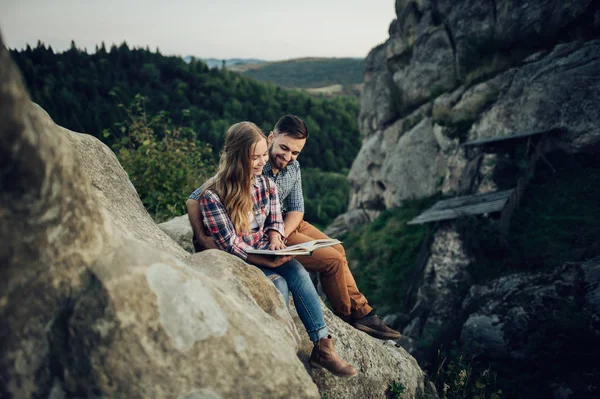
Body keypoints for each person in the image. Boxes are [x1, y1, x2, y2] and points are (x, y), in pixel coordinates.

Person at [188, 115, 401, 341]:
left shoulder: (293, 168)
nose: (288, 157)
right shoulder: (252, 163)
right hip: (268, 231)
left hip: (286, 224)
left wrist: (281, 231)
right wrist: (201, 236)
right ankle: (349, 316)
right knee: (332, 260)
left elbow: (297, 208)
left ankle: (364, 311)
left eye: (295, 152)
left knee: (338, 249)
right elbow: (195, 198)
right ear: (271, 138)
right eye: (284, 148)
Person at [196, 121, 357, 378]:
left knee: (299, 271)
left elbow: (275, 221)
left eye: (263, 155)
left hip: (264, 251)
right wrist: (261, 258)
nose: (262, 163)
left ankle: (323, 346)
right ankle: (275, 347)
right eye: (255, 157)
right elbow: (229, 244)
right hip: (240, 259)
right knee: (279, 285)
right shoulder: (213, 196)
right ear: (237, 157)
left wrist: (275, 240)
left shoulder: (266, 185)